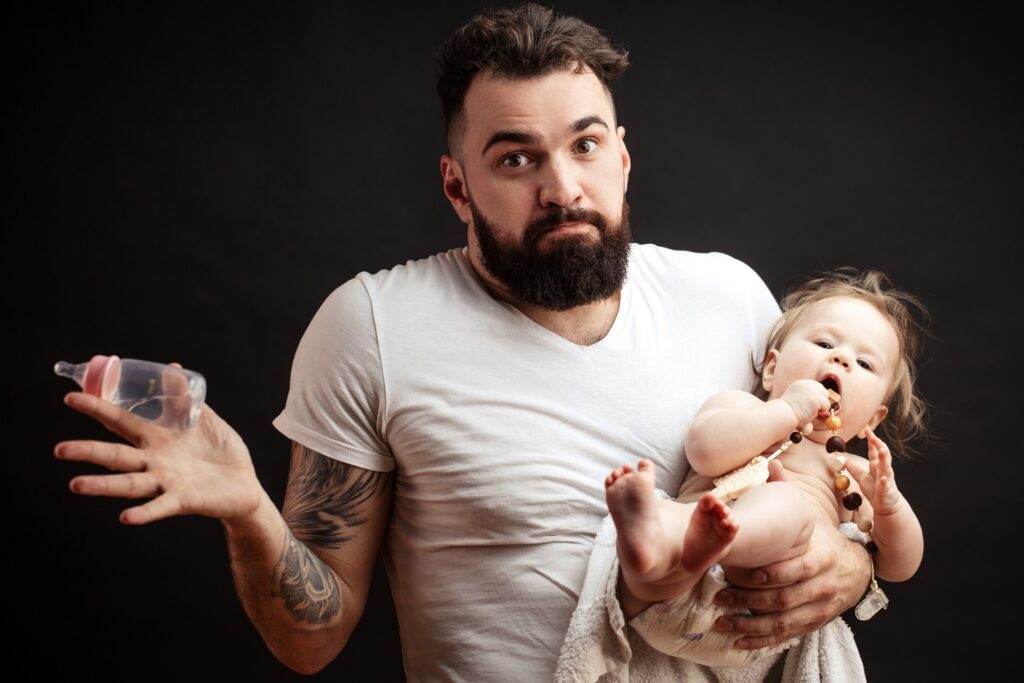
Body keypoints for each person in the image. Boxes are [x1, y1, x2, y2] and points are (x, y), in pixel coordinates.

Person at [53, 4, 876, 680]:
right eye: (517, 159)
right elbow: (311, 638)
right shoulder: (372, 326)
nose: (562, 187)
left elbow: (831, 479)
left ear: (623, 157)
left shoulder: (729, 295)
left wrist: (854, 568)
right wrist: (248, 511)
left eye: (586, 144)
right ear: (457, 186)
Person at [601, 269, 927, 668]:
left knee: (786, 503)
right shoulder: (743, 408)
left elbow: (899, 566)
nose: (841, 358)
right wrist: (787, 410)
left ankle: (716, 539)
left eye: (863, 363)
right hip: (666, 597)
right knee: (666, 535)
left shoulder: (853, 474)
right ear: (772, 368)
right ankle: (653, 545)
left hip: (751, 616)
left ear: (871, 420)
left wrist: (890, 507)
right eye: (825, 343)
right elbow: (705, 453)